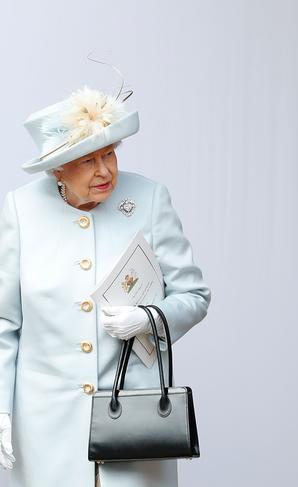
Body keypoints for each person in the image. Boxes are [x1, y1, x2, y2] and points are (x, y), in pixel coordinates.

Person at [0, 86, 211, 486]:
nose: (104, 171)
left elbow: (195, 296)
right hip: (46, 429)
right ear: (57, 168)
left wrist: (150, 318)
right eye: (87, 161)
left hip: (134, 423)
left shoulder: (149, 199)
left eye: (109, 154)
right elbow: (4, 323)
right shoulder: (20, 210)